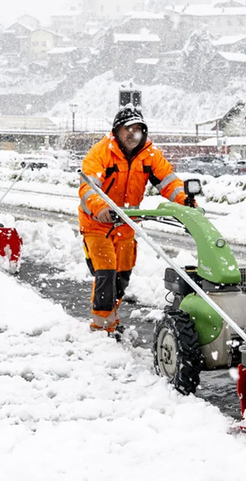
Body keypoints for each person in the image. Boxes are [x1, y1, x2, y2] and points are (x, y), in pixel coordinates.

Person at [78, 107, 190, 334]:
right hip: (97, 224)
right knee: (106, 273)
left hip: (127, 225)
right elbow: (89, 188)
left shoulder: (150, 155)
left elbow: (168, 182)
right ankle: (101, 328)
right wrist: (100, 207)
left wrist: (186, 201)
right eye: (128, 129)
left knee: (122, 276)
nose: (133, 134)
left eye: (138, 129)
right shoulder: (101, 153)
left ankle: (112, 318)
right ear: (117, 131)